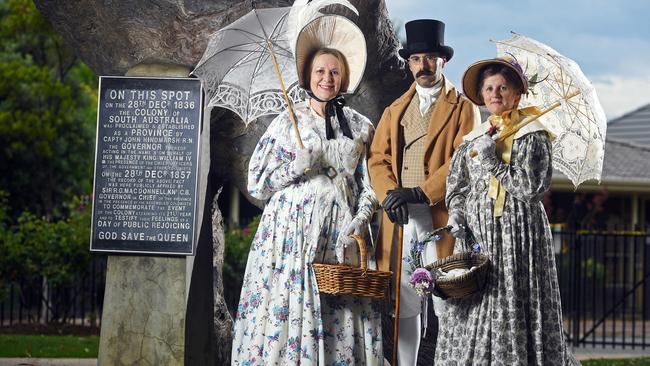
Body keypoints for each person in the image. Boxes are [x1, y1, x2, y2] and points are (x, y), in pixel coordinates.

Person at [231, 15, 383, 365]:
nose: (327, 79)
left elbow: (369, 184)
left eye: (334, 72)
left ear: (343, 76)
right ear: (308, 76)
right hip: (290, 236)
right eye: (320, 72)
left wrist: (360, 220)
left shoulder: (361, 126)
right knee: (289, 308)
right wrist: (293, 168)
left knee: (341, 308)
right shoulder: (288, 121)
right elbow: (257, 182)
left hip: (340, 237)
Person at [437, 56, 579, 365]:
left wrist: (494, 163)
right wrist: (457, 215)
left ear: (517, 93)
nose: (495, 94)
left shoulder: (533, 135)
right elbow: (457, 187)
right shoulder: (471, 140)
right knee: (475, 298)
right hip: (477, 236)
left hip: (517, 235)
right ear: (481, 94)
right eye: (489, 88)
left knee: (510, 296)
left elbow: (531, 189)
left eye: (503, 87)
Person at [368, 19, 480, 366]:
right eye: (416, 59)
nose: (423, 66)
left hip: (441, 216)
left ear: (443, 60)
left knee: (448, 301)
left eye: (430, 57)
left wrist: (420, 191)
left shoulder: (464, 109)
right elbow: (378, 158)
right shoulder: (395, 109)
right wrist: (389, 195)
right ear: (409, 63)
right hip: (400, 218)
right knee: (404, 303)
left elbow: (464, 160)